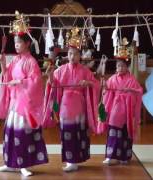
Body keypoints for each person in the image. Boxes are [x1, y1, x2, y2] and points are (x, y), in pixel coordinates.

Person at [0, 11, 48, 177]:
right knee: (10, 133)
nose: (16, 45)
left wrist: (22, 82)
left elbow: (36, 82)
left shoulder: (31, 62)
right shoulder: (16, 60)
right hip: (15, 102)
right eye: (15, 42)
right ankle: (10, 163)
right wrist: (3, 64)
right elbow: (7, 77)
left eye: (19, 42)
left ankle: (23, 164)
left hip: (25, 104)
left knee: (22, 134)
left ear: (27, 44)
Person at [43, 27, 99, 172]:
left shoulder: (85, 71)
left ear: (80, 55)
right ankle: (70, 160)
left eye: (75, 54)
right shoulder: (61, 70)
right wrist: (49, 76)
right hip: (65, 107)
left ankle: (76, 159)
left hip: (79, 107)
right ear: (67, 55)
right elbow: (53, 85)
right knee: (66, 133)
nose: (72, 56)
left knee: (78, 133)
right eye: (69, 53)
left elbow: (96, 85)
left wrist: (88, 83)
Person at [97, 57, 143, 165]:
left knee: (125, 133)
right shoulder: (112, 79)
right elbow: (107, 92)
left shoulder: (131, 79)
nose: (120, 68)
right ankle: (110, 156)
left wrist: (130, 91)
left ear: (127, 68)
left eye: (123, 66)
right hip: (115, 108)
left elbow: (139, 91)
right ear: (116, 68)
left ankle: (124, 156)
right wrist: (105, 88)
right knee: (112, 132)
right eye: (118, 66)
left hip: (127, 109)